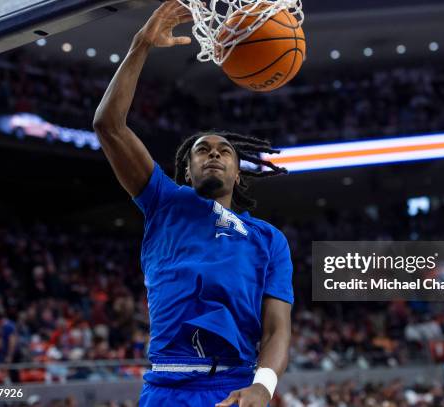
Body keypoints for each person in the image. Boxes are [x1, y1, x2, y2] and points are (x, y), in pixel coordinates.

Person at [92, 2, 294, 406]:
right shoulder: (164, 201)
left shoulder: (269, 240)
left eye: (225, 151)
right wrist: (140, 44)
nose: (214, 154)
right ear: (187, 171)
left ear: (238, 173)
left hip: (234, 387)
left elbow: (276, 330)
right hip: (166, 388)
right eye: (202, 151)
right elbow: (108, 125)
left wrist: (263, 386)